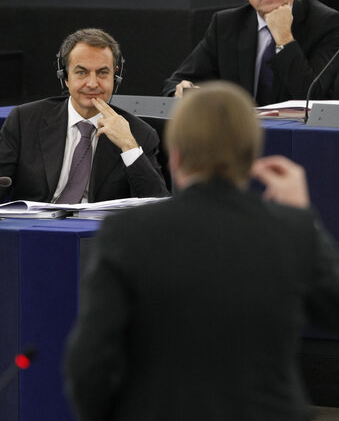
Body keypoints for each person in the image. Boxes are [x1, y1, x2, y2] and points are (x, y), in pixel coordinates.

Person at [64, 81, 339, 421]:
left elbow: (89, 363)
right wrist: (304, 219)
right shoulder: (291, 230)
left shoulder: (128, 232)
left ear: (176, 155)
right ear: (252, 155)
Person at [0, 28, 168, 203]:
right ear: (65, 76)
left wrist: (128, 145)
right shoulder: (25, 120)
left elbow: (158, 204)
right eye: (82, 72)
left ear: (115, 76)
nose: (93, 83)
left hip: (98, 229)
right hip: (32, 228)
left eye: (103, 73)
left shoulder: (139, 133)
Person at [162, 0, 339, 104]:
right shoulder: (225, 25)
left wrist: (284, 38)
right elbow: (173, 83)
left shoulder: (325, 23)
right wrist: (180, 91)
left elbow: (315, 100)